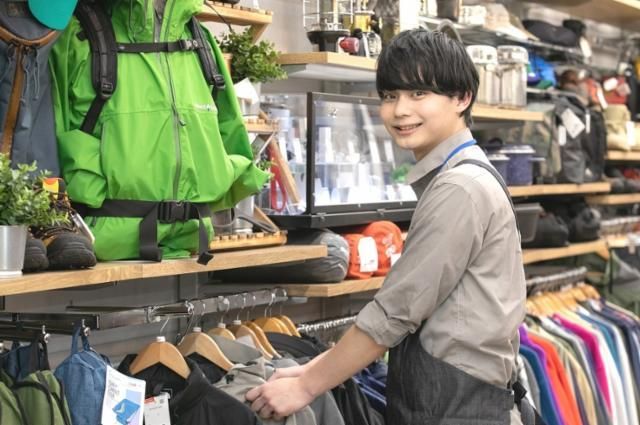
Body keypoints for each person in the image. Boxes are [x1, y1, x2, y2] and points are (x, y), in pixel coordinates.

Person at [246, 28, 527, 425]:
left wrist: (307, 385)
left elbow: (396, 311)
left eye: (419, 93)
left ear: (462, 98)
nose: (399, 110)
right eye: (390, 95)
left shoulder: (460, 187)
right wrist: (314, 370)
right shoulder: (466, 175)